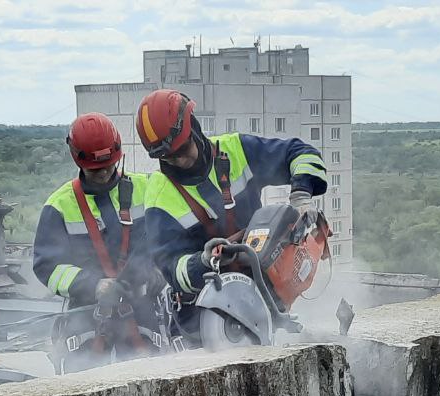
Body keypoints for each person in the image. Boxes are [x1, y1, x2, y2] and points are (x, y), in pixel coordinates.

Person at [134, 89, 328, 342]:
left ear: (194, 126)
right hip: (207, 321)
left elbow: (302, 153)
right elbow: (172, 267)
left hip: (264, 300)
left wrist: (301, 194)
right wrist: (202, 261)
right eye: (169, 157)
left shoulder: (236, 150)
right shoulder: (159, 198)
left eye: (183, 148)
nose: (181, 160)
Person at [32, 113, 161, 371]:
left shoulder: (147, 188)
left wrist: (159, 268)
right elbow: (48, 267)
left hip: (141, 308)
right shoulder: (59, 206)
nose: (103, 173)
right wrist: (93, 285)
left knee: (152, 381)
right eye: (95, 169)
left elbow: (168, 235)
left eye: (108, 165)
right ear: (78, 159)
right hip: (89, 314)